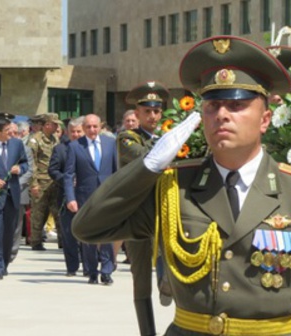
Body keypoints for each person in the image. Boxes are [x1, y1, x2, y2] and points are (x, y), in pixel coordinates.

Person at [73, 36, 291, 335]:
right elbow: (88, 227)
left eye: (236, 105)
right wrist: (146, 167)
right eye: (212, 106)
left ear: (265, 119)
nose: (222, 115)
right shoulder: (174, 188)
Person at [118, 80, 170, 336]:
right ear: (136, 114)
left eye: (157, 111)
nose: (152, 116)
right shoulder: (127, 138)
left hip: (166, 212)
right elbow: (146, 158)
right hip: (138, 216)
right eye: (147, 111)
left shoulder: (168, 137)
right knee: (141, 280)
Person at [64, 114, 118, 285]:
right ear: (84, 128)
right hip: (84, 198)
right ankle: (92, 270)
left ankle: (107, 270)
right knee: (88, 237)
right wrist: (70, 198)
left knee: (107, 234)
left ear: (100, 126)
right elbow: (68, 175)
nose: (92, 130)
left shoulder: (111, 144)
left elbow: (117, 172)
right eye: (88, 127)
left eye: (95, 126)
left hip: (107, 197)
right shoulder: (74, 147)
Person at [48, 117, 85, 276]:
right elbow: (52, 170)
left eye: (79, 131)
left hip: (85, 196)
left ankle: (89, 266)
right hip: (65, 197)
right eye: (73, 132)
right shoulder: (60, 149)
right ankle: (72, 267)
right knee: (68, 234)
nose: (76, 134)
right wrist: (66, 179)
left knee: (86, 232)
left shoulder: (89, 148)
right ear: (67, 133)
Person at [0, 114, 29, 279]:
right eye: (7, 130)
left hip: (12, 195)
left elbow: (25, 164)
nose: (11, 133)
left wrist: (19, 169)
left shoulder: (17, 144)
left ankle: (4, 263)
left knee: (9, 232)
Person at [27, 113, 60, 251]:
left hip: (54, 182)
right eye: (55, 124)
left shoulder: (55, 139)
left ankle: (63, 241)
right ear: (47, 125)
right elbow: (31, 163)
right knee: (39, 213)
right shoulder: (35, 140)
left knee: (57, 211)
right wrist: (33, 183)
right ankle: (36, 241)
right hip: (40, 182)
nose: (57, 127)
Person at [9, 122, 33, 263]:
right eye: (9, 132)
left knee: (17, 225)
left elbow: (29, 170)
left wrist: (13, 185)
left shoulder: (25, 149)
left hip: (19, 191)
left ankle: (11, 253)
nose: (12, 135)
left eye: (14, 133)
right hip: (0, 191)